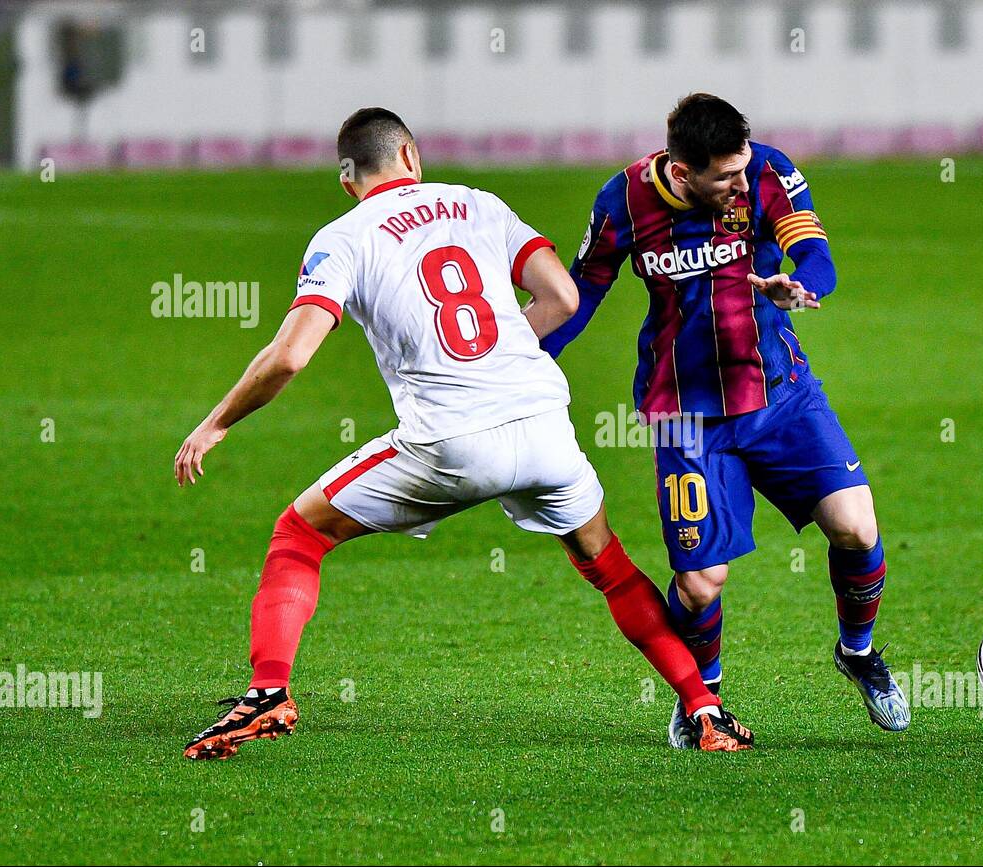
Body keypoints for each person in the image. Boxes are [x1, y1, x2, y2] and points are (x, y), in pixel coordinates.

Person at [175, 107, 753, 759]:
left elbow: (289, 356)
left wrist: (216, 422)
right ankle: (705, 710)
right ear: (412, 157)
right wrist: (500, 357)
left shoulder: (342, 237)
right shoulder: (479, 204)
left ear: (348, 180)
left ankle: (267, 693)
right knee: (611, 566)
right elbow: (562, 298)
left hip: (449, 442)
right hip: (543, 427)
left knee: (299, 535)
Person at [538, 93, 909, 746]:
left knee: (856, 526)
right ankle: (701, 699)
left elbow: (817, 256)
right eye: (725, 176)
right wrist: (523, 363)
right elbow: (581, 293)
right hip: (687, 416)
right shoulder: (622, 201)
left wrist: (802, 285)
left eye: (743, 168)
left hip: (780, 394)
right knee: (701, 582)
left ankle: (858, 653)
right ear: (682, 173)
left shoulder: (766, 173)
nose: (742, 182)